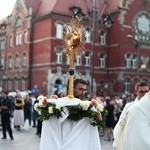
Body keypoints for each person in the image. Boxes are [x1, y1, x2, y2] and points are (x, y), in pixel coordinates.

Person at [113, 81, 149, 149]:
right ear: (136, 92)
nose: (144, 94)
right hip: (133, 139)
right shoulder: (129, 106)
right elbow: (121, 123)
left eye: (146, 91)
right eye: (141, 91)